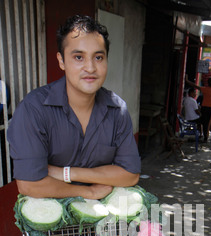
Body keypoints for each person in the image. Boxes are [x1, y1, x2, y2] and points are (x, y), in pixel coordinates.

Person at [7, 15, 141, 200]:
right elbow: (29, 184)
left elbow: (130, 174)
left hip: (103, 223)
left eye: (99, 57)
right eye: (79, 57)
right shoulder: (34, 109)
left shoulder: (117, 111)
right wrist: (89, 192)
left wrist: (66, 173)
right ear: (61, 61)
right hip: (48, 223)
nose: (90, 67)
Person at [198, 78, 211, 142]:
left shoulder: (205, 89)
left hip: (204, 108)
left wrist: (187, 81)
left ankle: (205, 137)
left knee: (205, 123)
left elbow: (196, 86)